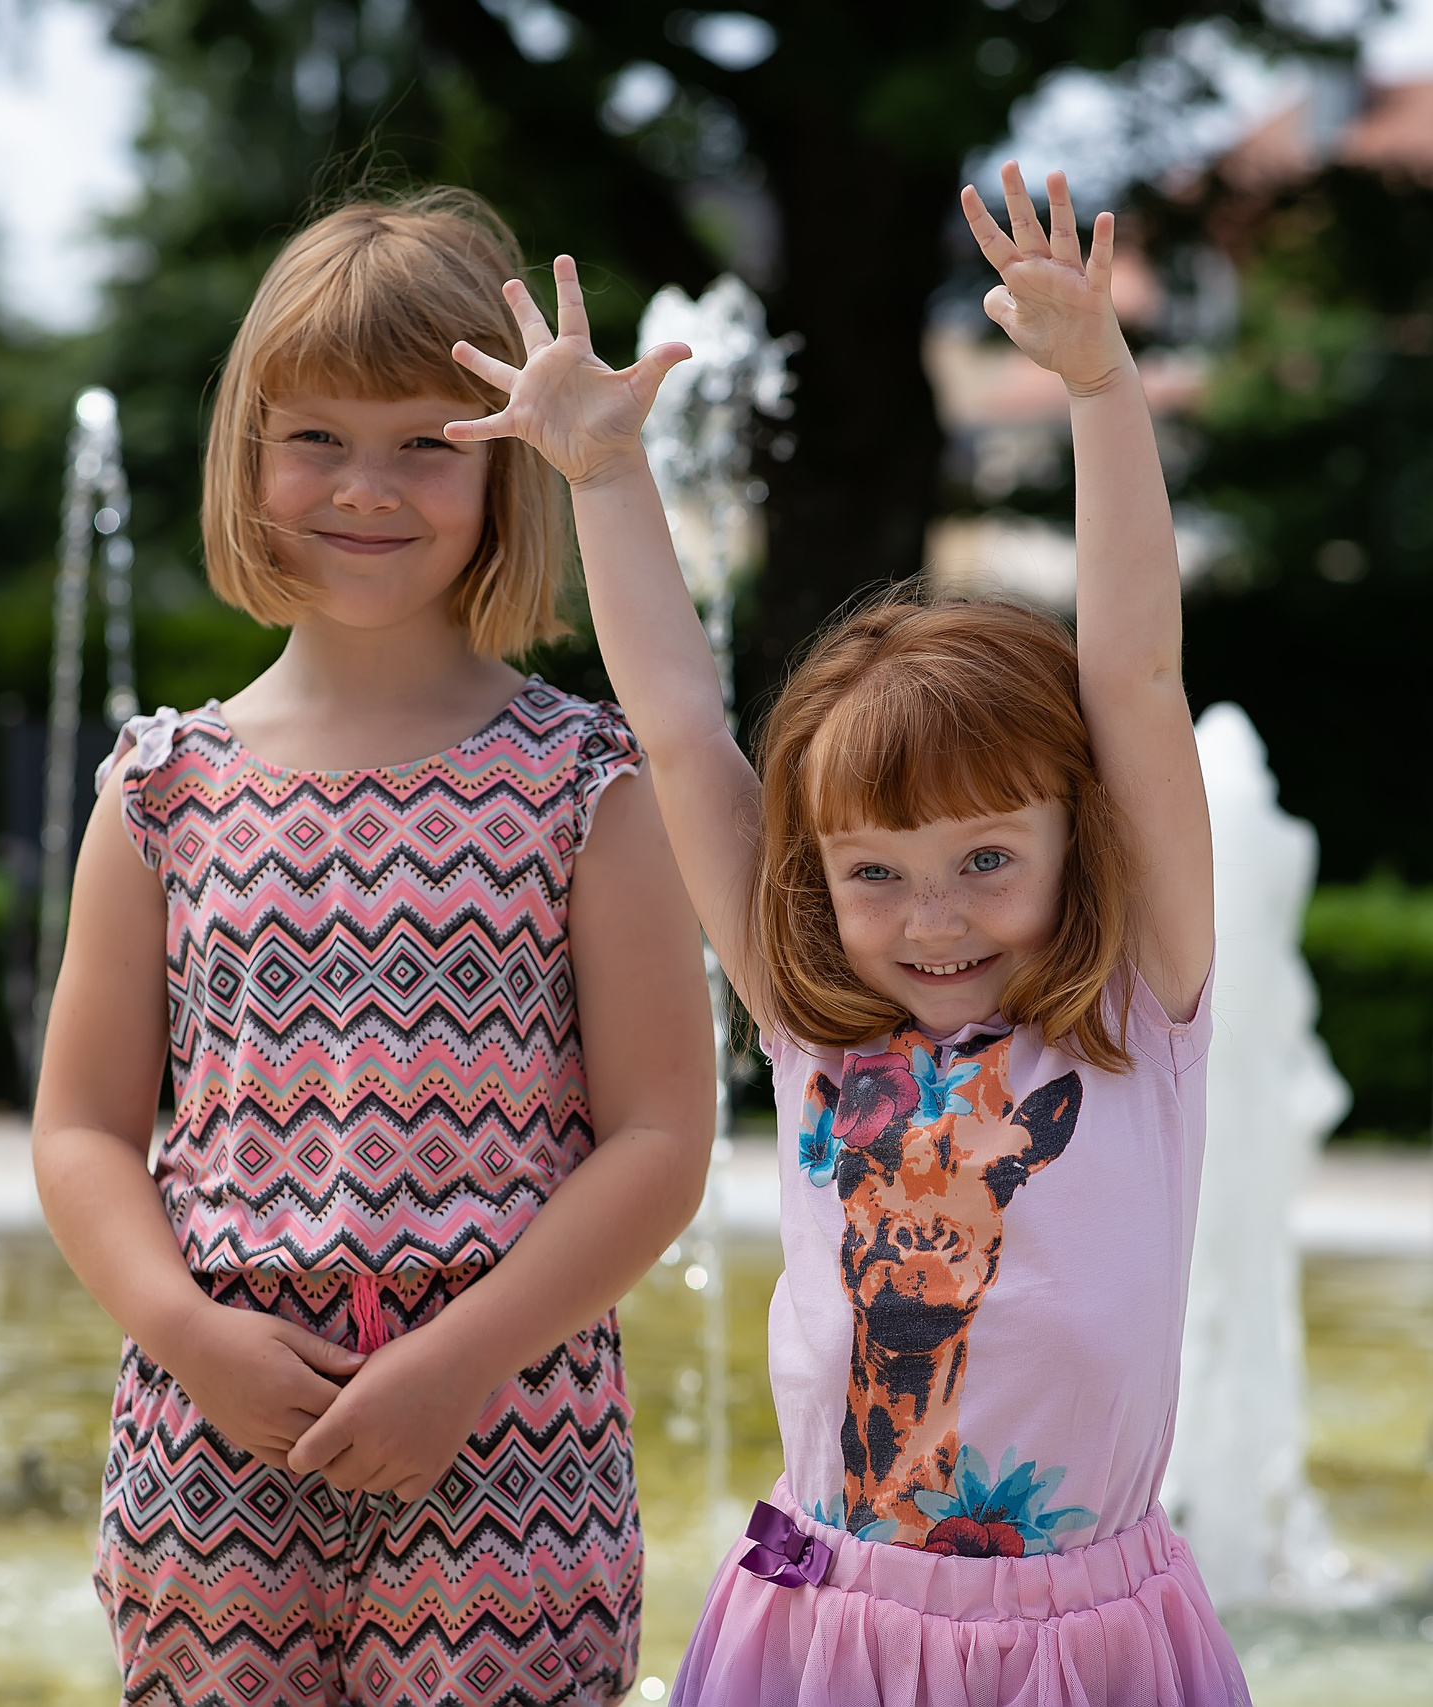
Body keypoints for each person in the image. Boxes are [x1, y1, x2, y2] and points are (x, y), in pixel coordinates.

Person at [444, 163, 1250, 1704]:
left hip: (1089, 1649)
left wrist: (1099, 386)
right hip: (827, 1636)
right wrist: (606, 478)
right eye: (873, 873)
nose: (931, 919)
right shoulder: (822, 1026)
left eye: (986, 859)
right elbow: (680, 736)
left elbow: (1138, 675)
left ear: (1082, 834)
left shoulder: (1139, 1004)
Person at [31, 187, 715, 1707]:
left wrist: (462, 1358)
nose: (368, 486)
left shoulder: (586, 784)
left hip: (509, 1435)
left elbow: (663, 1138)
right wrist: (186, 1337)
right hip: (212, 1436)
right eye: (318, 438)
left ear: (505, 465)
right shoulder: (163, 789)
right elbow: (82, 1130)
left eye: (425, 441)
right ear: (249, 456)